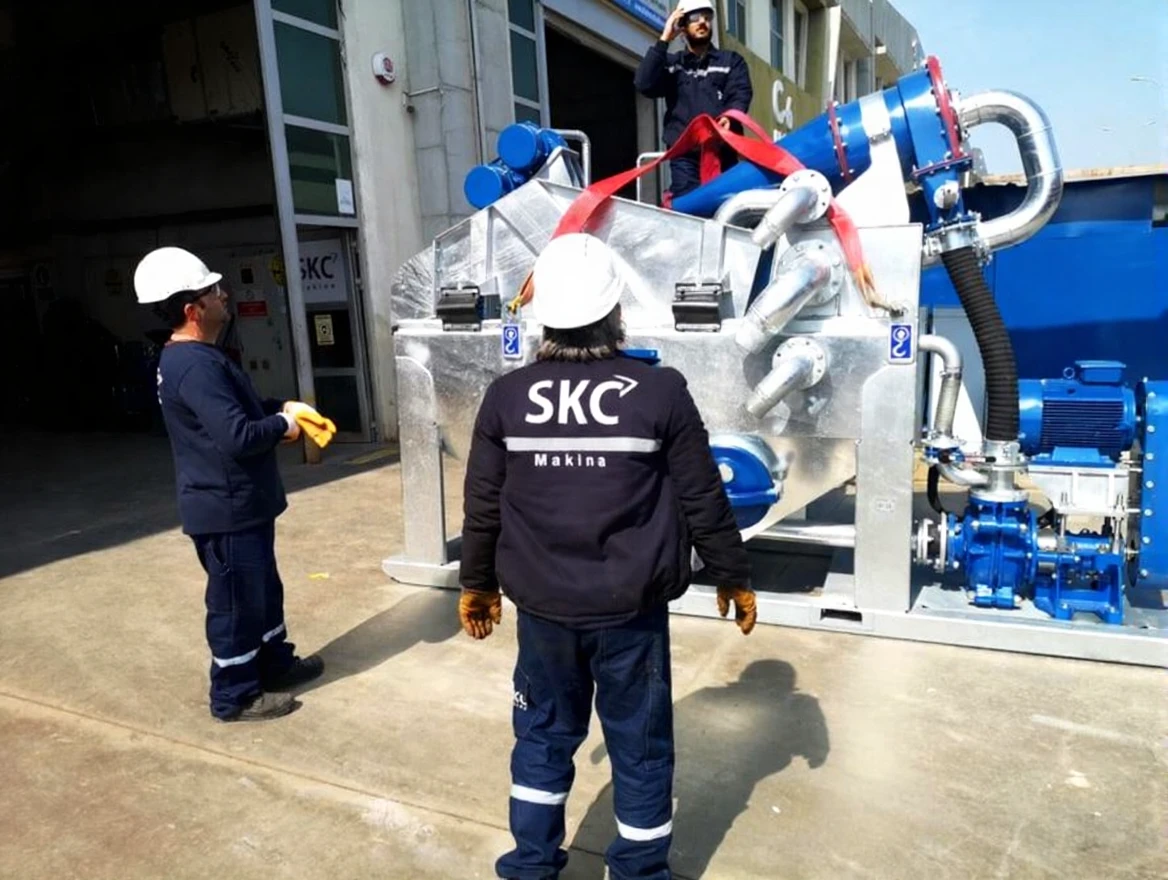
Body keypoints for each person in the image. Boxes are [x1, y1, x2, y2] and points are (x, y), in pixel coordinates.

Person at [457, 233, 757, 880]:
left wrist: (477, 583)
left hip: (543, 612)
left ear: (544, 317)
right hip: (631, 615)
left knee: (542, 738)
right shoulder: (659, 392)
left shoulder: (508, 397)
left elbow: (483, 506)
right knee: (640, 749)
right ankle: (639, 871)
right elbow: (702, 495)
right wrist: (731, 574)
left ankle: (531, 864)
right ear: (616, 311)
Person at [133, 246, 325, 723]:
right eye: (213, 290)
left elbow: (240, 409)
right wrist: (284, 426)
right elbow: (238, 436)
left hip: (244, 505)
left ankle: (274, 664)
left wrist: (282, 407)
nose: (224, 294)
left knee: (263, 591)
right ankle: (234, 695)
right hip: (226, 509)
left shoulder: (200, 358)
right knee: (236, 603)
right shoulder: (195, 365)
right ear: (192, 310)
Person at [634, 1, 754, 200]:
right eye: (695, 17)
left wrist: (730, 117)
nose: (702, 22)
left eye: (707, 17)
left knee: (727, 208)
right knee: (689, 209)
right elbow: (644, 83)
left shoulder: (731, 61)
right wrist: (664, 39)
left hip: (723, 153)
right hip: (685, 159)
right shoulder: (673, 65)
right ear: (682, 25)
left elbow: (741, 93)